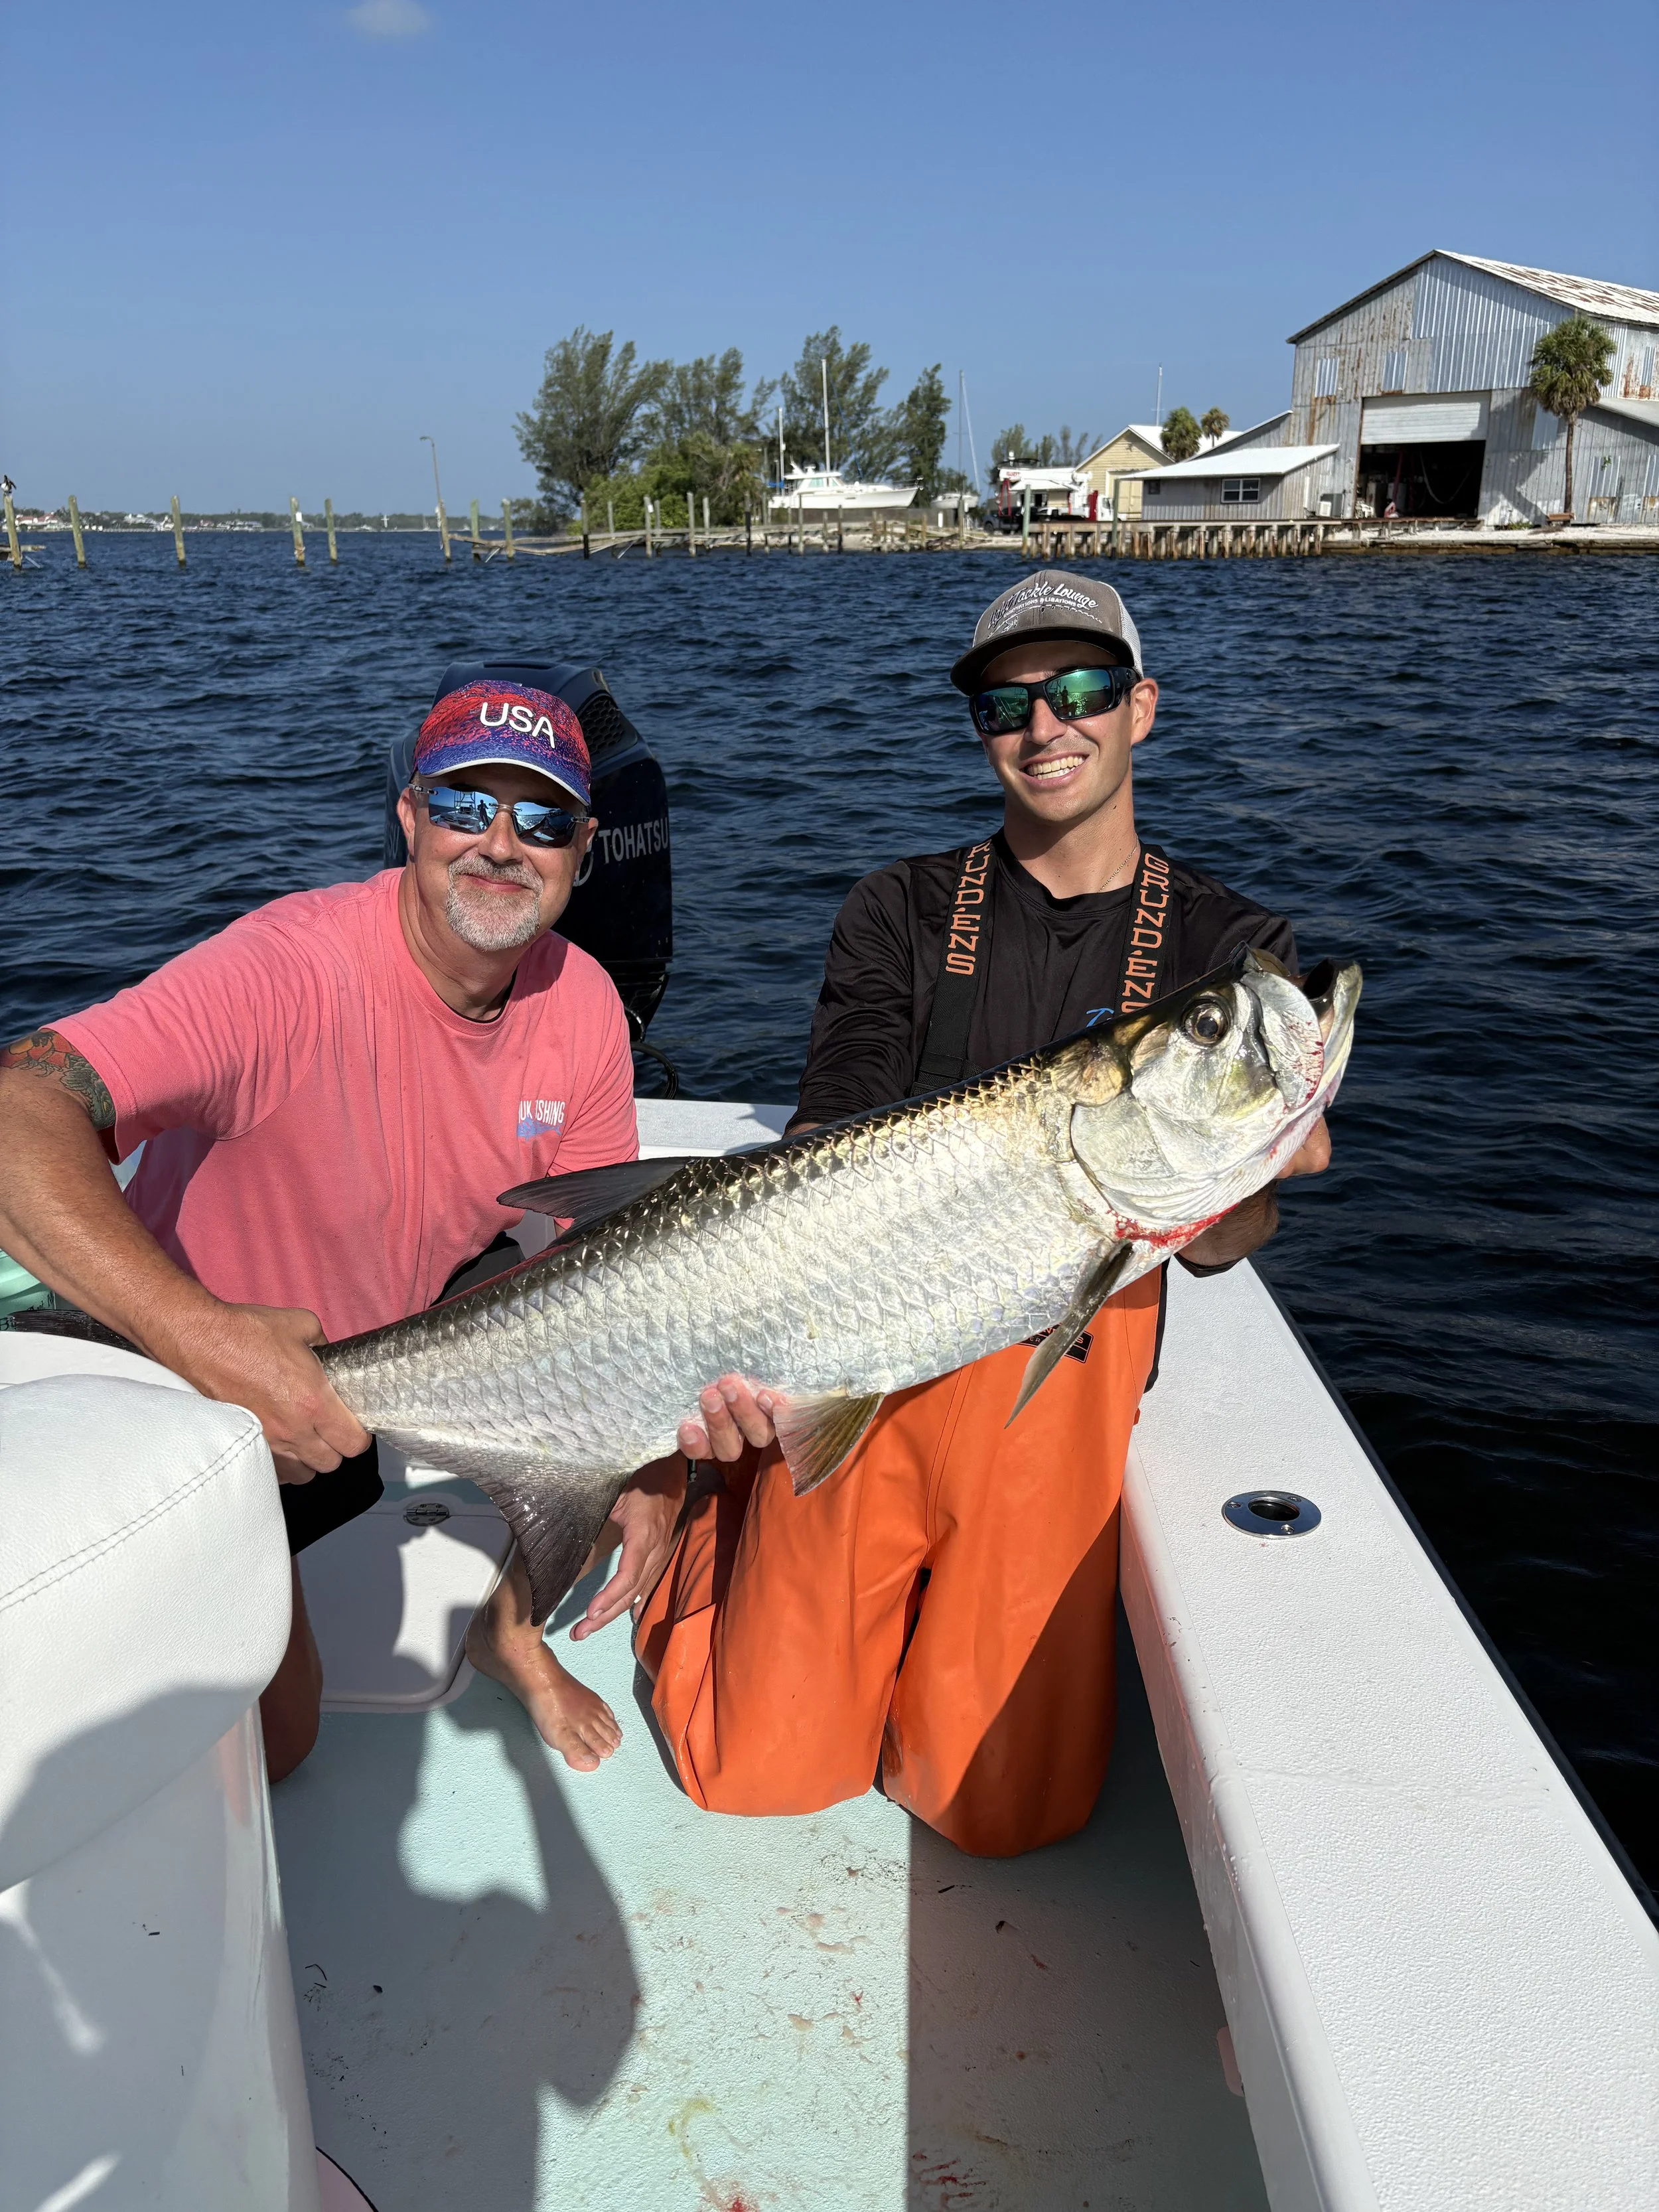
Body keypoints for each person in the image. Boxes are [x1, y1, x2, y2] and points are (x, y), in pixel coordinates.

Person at [636, 570, 1333, 1857]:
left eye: (1081, 691)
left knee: (1003, 1813)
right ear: (978, 727)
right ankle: (703, 1535)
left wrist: (1242, 1175)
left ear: (1141, 708)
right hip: (863, 1346)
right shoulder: (896, 910)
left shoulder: (1225, 948)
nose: (1046, 725)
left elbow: (1232, 1232)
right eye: (1009, 702)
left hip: (1055, 1371)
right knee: (746, 1768)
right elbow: (824, 1145)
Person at [0, 679, 693, 1779]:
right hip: (183, 1387)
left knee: (628, 1424)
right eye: (466, 806)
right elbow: (18, 1103)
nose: (502, 845)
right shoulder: (290, 968)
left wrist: (650, 1445)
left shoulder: (587, 1003)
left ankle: (507, 1630)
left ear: (585, 847)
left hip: (369, 1398)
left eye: (543, 819)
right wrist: (209, 1341)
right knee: (273, 1755)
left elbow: (601, 1272)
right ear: (411, 817)